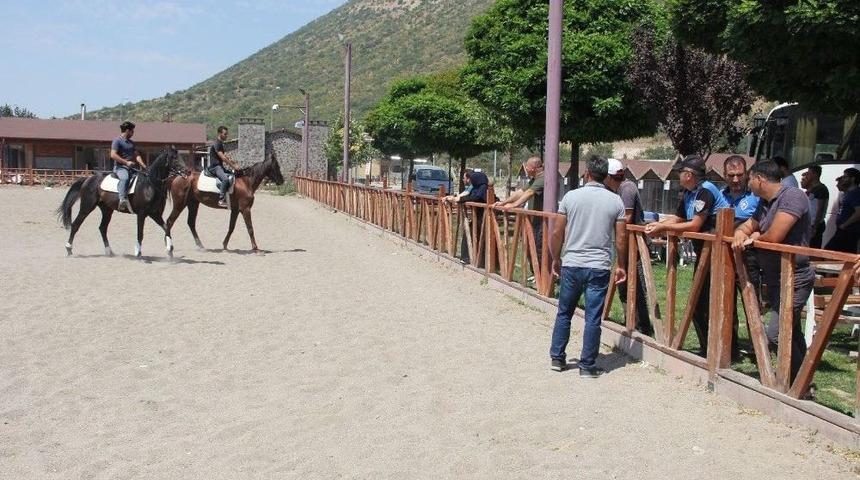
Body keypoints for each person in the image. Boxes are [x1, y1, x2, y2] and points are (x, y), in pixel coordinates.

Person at [732, 160, 813, 385]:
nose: (747, 183)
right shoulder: (765, 202)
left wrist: (755, 238)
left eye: (749, 179)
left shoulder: (793, 197)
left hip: (795, 278)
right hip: (777, 279)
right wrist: (740, 233)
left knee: (777, 334)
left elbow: (775, 235)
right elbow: (750, 224)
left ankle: (795, 382)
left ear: (759, 179)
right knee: (792, 331)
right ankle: (802, 383)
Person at [549, 156, 627, 378]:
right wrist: (621, 264)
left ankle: (557, 358)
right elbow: (621, 238)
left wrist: (556, 258)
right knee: (593, 317)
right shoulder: (616, 202)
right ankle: (587, 366)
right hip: (599, 265)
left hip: (572, 263)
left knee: (565, 312)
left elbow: (557, 232)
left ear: (587, 174)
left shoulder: (570, 197)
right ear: (605, 176)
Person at [644, 154, 729, 356]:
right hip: (704, 251)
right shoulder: (689, 192)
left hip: (718, 253)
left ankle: (716, 349)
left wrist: (662, 228)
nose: (678, 176)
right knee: (699, 301)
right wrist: (658, 224)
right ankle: (708, 347)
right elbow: (679, 218)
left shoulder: (705, 191)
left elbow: (695, 224)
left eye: (680, 172)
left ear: (689, 175)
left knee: (707, 301)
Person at [603, 158, 654, 336]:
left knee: (636, 287)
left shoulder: (626, 189)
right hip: (625, 244)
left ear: (609, 177)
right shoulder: (617, 189)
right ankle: (631, 321)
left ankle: (642, 327)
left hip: (635, 246)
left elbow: (626, 218)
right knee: (624, 286)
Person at [721, 155, 761, 359]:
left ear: (746, 174)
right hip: (724, 257)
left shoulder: (756, 196)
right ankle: (731, 347)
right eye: (731, 175)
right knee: (726, 303)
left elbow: (762, 223)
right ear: (724, 175)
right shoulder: (720, 196)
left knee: (751, 301)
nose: (735, 180)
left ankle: (758, 349)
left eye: (739, 175)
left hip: (748, 257)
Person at [495, 157, 545, 278]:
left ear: (533, 168)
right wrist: (504, 202)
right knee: (529, 247)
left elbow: (529, 193)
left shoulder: (543, 178)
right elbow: (521, 192)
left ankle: (544, 276)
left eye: (527, 166)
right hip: (532, 220)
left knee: (538, 248)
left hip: (541, 222)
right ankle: (536, 274)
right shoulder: (534, 180)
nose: (525, 168)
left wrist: (514, 205)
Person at [444, 170, 488, 265]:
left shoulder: (483, 188)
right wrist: (456, 199)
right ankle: (468, 258)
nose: (472, 181)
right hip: (478, 217)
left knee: (481, 238)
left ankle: (475, 260)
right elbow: (467, 195)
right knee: (471, 236)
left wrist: (459, 199)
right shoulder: (476, 188)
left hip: (483, 217)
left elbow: (476, 198)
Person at [109, 121, 146, 212]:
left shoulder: (131, 143)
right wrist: (126, 163)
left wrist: (143, 164)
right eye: (132, 131)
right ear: (127, 131)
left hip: (131, 168)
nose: (133, 133)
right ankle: (122, 200)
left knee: (142, 178)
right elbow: (113, 155)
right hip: (120, 168)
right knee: (125, 178)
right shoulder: (117, 141)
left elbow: (136, 154)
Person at [824, 168, 860, 253]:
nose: (843, 179)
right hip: (844, 230)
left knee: (827, 252)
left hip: (848, 231)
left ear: (853, 179)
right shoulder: (849, 193)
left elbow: (859, 213)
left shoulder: (856, 193)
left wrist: (844, 225)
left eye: (845, 177)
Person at [209, 126, 240, 207]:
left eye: (227, 134)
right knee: (225, 179)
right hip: (215, 167)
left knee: (232, 176)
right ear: (220, 133)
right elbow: (223, 158)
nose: (227, 136)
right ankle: (221, 199)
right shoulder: (216, 143)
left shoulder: (220, 143)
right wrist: (233, 166)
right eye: (225, 134)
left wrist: (233, 162)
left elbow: (225, 156)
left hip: (220, 166)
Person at [801, 165, 829, 249]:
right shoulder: (811, 188)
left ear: (815, 174)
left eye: (809, 173)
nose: (807, 175)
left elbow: (820, 209)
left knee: (813, 248)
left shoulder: (821, 189)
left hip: (815, 225)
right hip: (809, 223)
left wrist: (815, 227)